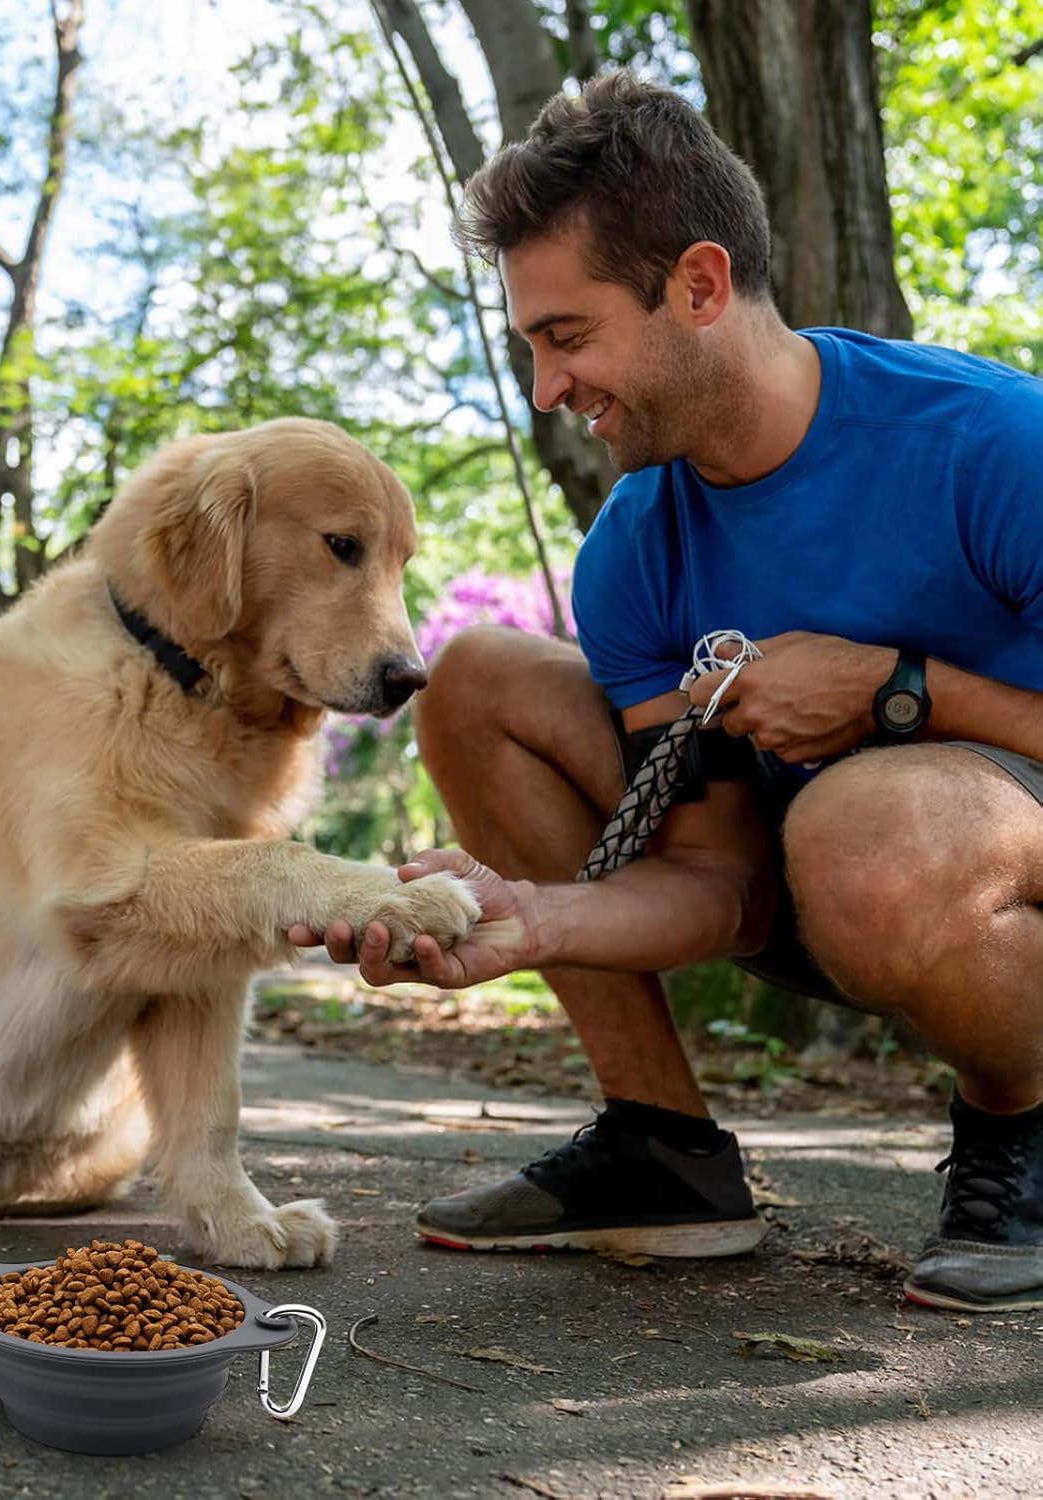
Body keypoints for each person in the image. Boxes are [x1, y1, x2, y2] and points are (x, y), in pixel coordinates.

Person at [288, 71, 1043, 1314]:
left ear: (698, 285)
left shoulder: (987, 444)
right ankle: (664, 1153)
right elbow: (723, 879)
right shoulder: (637, 542)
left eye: (567, 337)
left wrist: (899, 694)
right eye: (531, 345)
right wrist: (529, 920)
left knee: (865, 829)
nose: (546, 391)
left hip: (969, 863)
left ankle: (1022, 1130)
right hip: (823, 883)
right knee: (474, 679)